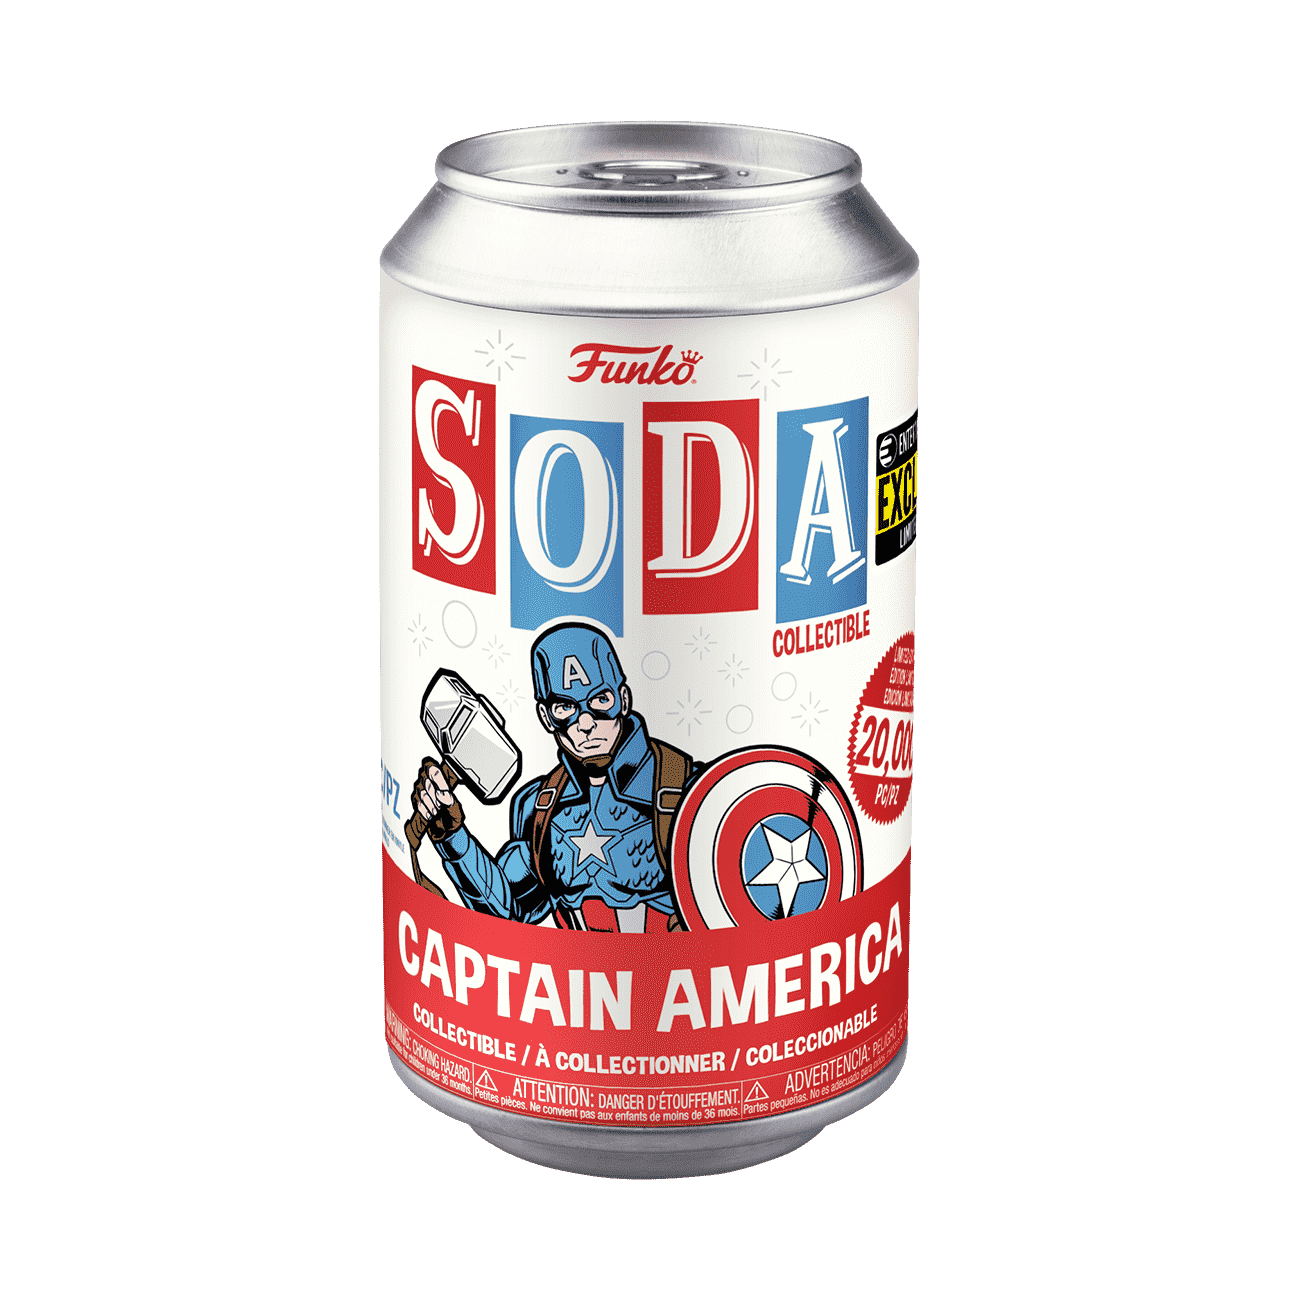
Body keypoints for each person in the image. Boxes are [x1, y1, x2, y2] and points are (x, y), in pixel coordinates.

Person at [406, 623, 695, 931]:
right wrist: (452, 836)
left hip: (671, 962)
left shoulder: (687, 788)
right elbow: (507, 911)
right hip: (565, 962)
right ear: (545, 716)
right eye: (565, 707)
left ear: (623, 699)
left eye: (600, 701)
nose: (586, 723)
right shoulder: (539, 805)